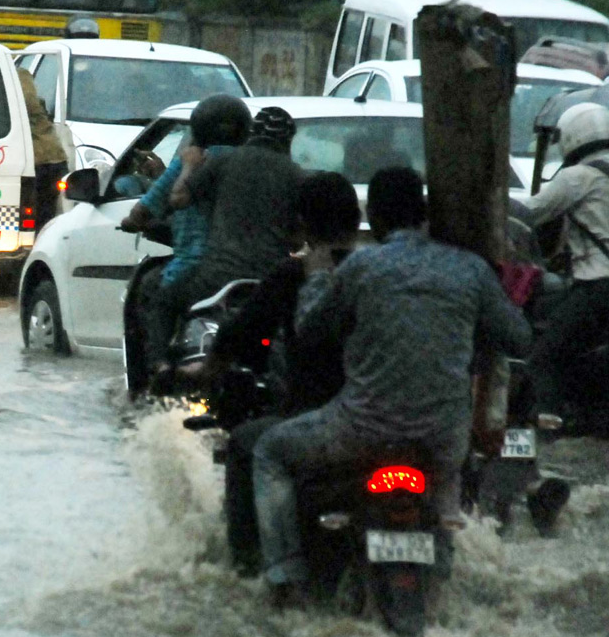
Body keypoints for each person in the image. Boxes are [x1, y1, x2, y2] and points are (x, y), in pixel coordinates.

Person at [252, 167, 532, 606]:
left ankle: (286, 579)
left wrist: (319, 274)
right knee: (445, 513)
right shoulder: (471, 270)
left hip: (361, 429)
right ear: (422, 213)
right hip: (443, 439)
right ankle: (441, 589)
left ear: (376, 220)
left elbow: (310, 332)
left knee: (269, 452)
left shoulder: (363, 266)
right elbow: (519, 338)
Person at [200, 171, 361, 576]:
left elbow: (238, 335)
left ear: (302, 225)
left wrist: (202, 369)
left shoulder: (296, 276)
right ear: (356, 219)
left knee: (245, 445)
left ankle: (252, 570)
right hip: (400, 423)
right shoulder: (384, 271)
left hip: (319, 422)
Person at [149, 105, 303, 387]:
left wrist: (188, 166)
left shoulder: (224, 162)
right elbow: (297, 239)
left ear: (252, 133)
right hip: (270, 283)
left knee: (163, 303)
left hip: (214, 279)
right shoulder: (297, 176)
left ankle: (159, 369)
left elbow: (178, 199)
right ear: (289, 141)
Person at [119, 94, 253, 377]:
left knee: (157, 299)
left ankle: (158, 368)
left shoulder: (191, 163)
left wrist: (130, 221)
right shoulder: (249, 165)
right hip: (250, 269)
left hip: (194, 268)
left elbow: (148, 208)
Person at [521, 101, 609, 433]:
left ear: (571, 137)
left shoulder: (577, 178)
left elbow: (530, 211)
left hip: (598, 286)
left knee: (545, 356)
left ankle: (549, 421)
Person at [18, 67, 68, 231]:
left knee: (32, 211)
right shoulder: (39, 104)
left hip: (37, 162)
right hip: (56, 159)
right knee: (48, 212)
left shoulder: (18, 104)